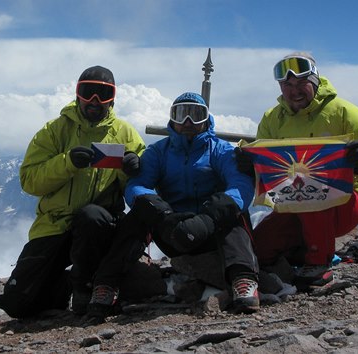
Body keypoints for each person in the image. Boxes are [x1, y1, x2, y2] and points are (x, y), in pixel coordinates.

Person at [86, 92, 260, 322]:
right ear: (172, 119)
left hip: (211, 231)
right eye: (181, 114)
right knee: (138, 215)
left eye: (196, 115)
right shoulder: (158, 152)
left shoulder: (222, 150)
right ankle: (107, 284)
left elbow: (240, 185)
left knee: (234, 212)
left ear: (207, 120)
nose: (188, 122)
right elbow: (138, 185)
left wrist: (208, 219)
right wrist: (162, 216)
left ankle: (243, 278)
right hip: (172, 230)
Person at [0, 66, 146, 318]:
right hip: (55, 226)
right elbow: (30, 182)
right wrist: (67, 163)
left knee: (90, 216)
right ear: (77, 94)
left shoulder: (124, 133)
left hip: (98, 228)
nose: (95, 101)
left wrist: (130, 169)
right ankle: (62, 284)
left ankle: (85, 287)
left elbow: (137, 186)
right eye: (88, 92)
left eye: (103, 94)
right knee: (17, 305)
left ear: (113, 98)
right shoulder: (54, 131)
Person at [237, 52, 358, 288]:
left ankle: (319, 264)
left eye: (301, 83)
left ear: (315, 80)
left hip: (344, 203)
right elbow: (266, 172)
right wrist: (250, 166)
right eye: (287, 84)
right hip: (290, 203)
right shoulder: (272, 119)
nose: (294, 90)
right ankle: (302, 255)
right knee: (259, 250)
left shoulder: (344, 112)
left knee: (312, 187)